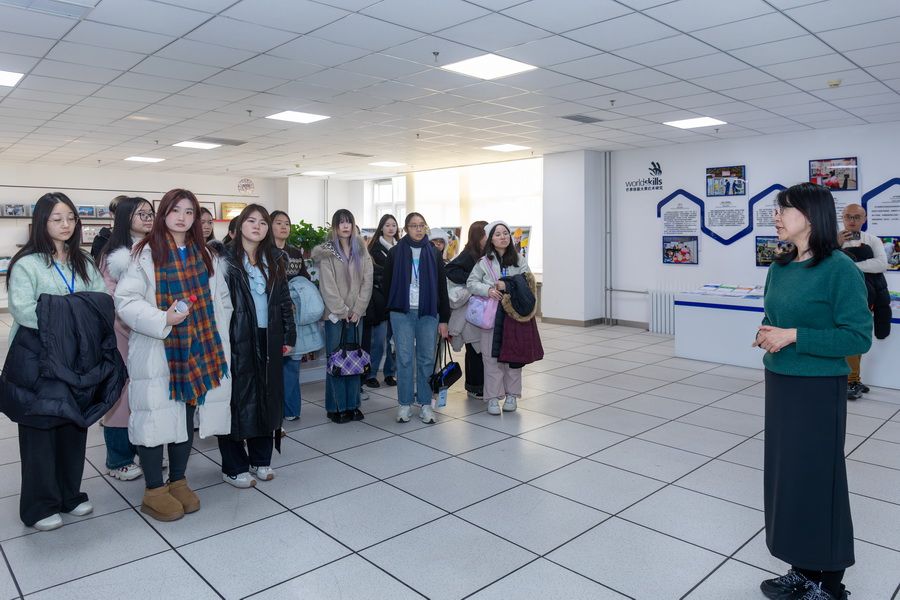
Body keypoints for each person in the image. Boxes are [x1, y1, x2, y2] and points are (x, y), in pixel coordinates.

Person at [753, 183, 871, 600]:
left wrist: (794, 335)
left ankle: (830, 582)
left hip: (818, 391)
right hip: (781, 383)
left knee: (819, 480)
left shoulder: (840, 269)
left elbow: (857, 337)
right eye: (776, 210)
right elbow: (775, 316)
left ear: (810, 216)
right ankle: (801, 567)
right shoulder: (780, 266)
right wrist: (768, 334)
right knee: (788, 479)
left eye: (784, 210)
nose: (776, 217)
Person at [114, 188, 233, 522]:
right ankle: (154, 490)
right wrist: (162, 318)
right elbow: (125, 301)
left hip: (200, 348)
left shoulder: (206, 255)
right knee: (154, 416)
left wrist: (215, 334)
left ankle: (178, 481)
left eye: (189, 212)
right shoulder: (144, 254)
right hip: (158, 347)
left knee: (185, 416)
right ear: (163, 214)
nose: (182, 217)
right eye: (175, 210)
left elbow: (222, 302)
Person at [5, 192, 110, 531]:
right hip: (39, 358)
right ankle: (39, 505)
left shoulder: (83, 261)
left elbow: (102, 300)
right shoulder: (27, 264)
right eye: (57, 218)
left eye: (70, 218)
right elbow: (24, 309)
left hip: (78, 358)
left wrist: (65, 312)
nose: (66, 224)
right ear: (42, 222)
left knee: (73, 427)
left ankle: (69, 495)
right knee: (40, 430)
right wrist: (76, 315)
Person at [218, 205, 295, 488]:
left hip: (269, 336)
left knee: (267, 397)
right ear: (239, 226)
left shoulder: (274, 259)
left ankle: (261, 459)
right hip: (236, 337)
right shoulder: (223, 259)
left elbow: (284, 300)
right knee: (237, 401)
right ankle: (234, 466)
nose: (257, 226)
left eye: (263, 222)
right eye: (251, 221)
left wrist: (289, 335)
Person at [98, 197, 154, 481]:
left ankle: (147, 452)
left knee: (148, 395)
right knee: (120, 397)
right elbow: (109, 297)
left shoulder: (158, 247)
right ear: (124, 218)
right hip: (123, 332)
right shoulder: (114, 253)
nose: (148, 218)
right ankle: (118, 458)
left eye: (150, 213)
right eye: (140, 214)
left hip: (155, 331)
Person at [382, 212, 450, 424]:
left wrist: (444, 319)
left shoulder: (434, 252)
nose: (419, 229)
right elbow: (386, 284)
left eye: (422, 225)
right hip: (401, 312)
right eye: (414, 225)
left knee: (426, 359)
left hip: (428, 312)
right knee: (404, 358)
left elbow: (442, 287)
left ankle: (425, 403)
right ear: (406, 229)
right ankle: (404, 404)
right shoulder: (395, 252)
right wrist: (392, 306)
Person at [311, 209, 373, 424]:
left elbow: (367, 281)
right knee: (336, 361)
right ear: (335, 226)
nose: (345, 226)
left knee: (354, 358)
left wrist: (358, 309)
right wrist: (343, 310)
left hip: (357, 314)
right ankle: (336, 407)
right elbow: (327, 286)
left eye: (349, 222)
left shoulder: (361, 249)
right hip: (335, 315)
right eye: (341, 222)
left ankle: (353, 405)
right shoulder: (327, 251)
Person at [467, 221, 531, 416]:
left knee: (514, 357)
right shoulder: (483, 262)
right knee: (490, 358)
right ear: (491, 239)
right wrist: (487, 290)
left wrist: (508, 285)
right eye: (497, 234)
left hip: (514, 316)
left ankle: (512, 395)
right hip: (491, 315)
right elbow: (471, 283)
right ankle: (493, 397)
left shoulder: (519, 260)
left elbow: (528, 283)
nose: (503, 237)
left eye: (505, 233)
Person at [838, 203, 889, 400]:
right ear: (842, 217)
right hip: (840, 296)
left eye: (857, 217)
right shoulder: (832, 240)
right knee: (851, 335)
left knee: (858, 336)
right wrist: (836, 244)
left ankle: (853, 379)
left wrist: (851, 266)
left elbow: (881, 264)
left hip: (866, 295)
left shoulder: (872, 240)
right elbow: (823, 262)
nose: (852, 221)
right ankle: (850, 380)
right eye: (848, 216)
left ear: (864, 219)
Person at [270, 210, 310, 421]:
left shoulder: (295, 253)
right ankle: (273, 410)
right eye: (278, 223)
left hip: (292, 316)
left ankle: (291, 410)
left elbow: (305, 280)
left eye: (287, 223)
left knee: (292, 364)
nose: (284, 227)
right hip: (271, 315)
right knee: (272, 367)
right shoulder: (264, 252)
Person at [446, 220, 488, 399]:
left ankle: (479, 385)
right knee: (474, 347)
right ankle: (475, 386)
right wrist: (473, 280)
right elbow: (450, 269)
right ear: (478, 236)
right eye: (486, 234)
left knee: (481, 347)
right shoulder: (469, 253)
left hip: (483, 307)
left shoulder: (486, 253)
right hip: (473, 309)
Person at [363, 214, 399, 389]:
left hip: (398, 300)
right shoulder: (374, 249)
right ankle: (371, 374)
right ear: (381, 228)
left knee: (394, 339)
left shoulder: (402, 247)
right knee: (378, 340)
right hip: (381, 300)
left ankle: (390, 373)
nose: (391, 228)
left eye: (394, 225)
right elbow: (376, 273)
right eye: (387, 225)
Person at [90, 195, 127, 260]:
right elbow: (100, 263)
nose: (126, 216)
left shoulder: (140, 235)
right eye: (121, 212)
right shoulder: (101, 238)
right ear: (112, 214)